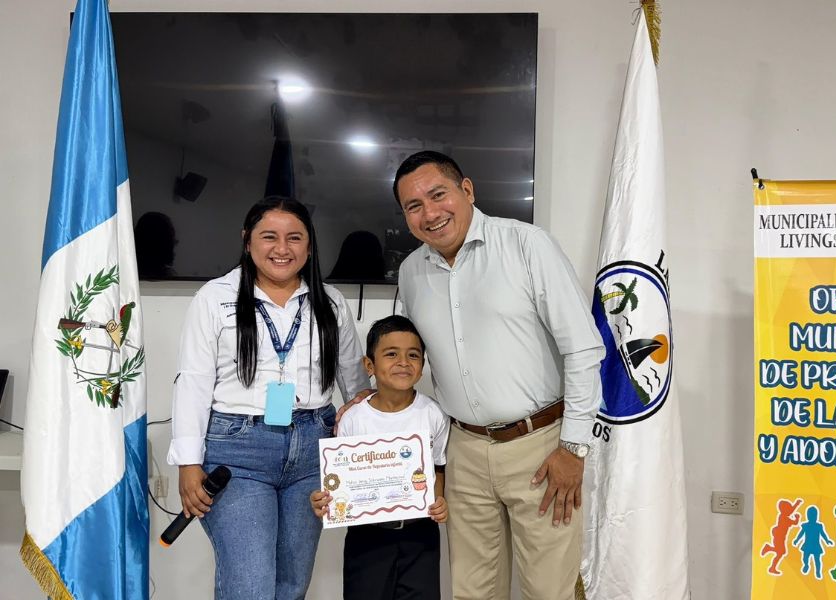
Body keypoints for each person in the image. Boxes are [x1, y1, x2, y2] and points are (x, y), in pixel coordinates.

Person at [393, 150, 603, 599]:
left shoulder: (527, 245)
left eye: (438, 195)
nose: (429, 213)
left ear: (467, 190)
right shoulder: (411, 272)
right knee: (473, 591)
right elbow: (406, 355)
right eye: (414, 206)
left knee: (549, 590)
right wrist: (372, 399)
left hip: (541, 448)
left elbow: (583, 348)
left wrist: (574, 448)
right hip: (463, 450)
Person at [167, 196, 371, 600]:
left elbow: (356, 387)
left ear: (309, 245)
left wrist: (373, 459)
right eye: (269, 237)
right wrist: (189, 463)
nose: (282, 248)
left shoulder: (330, 302)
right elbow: (192, 383)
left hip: (314, 450)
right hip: (238, 453)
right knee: (251, 588)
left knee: (291, 585)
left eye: (294, 237)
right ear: (247, 241)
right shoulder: (215, 297)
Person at [311, 315, 449, 600]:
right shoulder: (353, 419)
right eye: (391, 354)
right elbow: (339, 480)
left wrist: (439, 501)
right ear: (369, 365)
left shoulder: (433, 414)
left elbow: (438, 467)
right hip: (367, 537)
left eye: (413, 355)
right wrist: (325, 499)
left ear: (423, 365)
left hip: (420, 535)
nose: (403, 362)